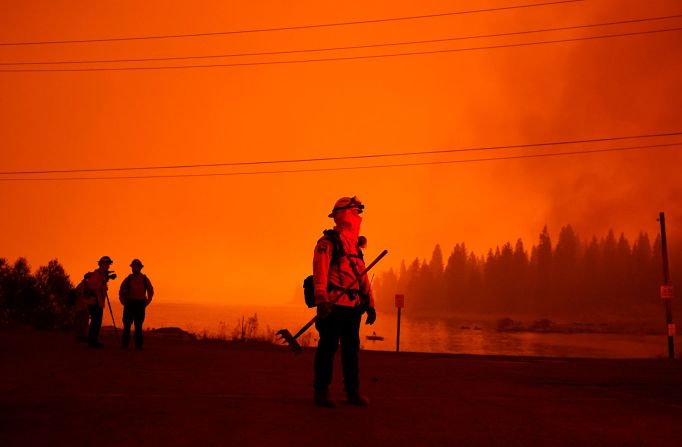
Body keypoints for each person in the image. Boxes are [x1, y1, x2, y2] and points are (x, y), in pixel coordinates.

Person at [312, 196, 377, 407]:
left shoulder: (356, 247)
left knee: (351, 351)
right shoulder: (329, 242)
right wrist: (322, 300)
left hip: (353, 308)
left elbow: (362, 275)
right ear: (345, 214)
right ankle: (321, 392)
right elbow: (320, 270)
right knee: (327, 349)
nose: (359, 217)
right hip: (333, 306)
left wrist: (370, 303)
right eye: (356, 212)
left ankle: (352, 392)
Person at [119, 258, 154, 350]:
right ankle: (124, 345)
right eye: (133, 266)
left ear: (140, 268)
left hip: (140, 304)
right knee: (127, 325)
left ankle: (138, 346)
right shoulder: (128, 278)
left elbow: (151, 290)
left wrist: (147, 302)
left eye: (136, 266)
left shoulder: (145, 279)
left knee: (138, 326)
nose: (134, 268)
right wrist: (123, 301)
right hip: (129, 304)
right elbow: (121, 290)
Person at [85, 256, 115, 348]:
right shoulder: (96, 274)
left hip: (98, 301)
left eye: (109, 264)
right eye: (107, 264)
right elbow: (90, 285)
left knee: (96, 321)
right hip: (95, 302)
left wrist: (106, 280)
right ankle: (92, 342)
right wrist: (102, 286)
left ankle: (93, 341)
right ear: (102, 264)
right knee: (96, 322)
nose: (108, 266)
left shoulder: (101, 274)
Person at [73, 273, 91, 343]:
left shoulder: (81, 285)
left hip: (79, 307)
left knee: (82, 323)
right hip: (81, 308)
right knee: (82, 323)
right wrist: (86, 307)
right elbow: (82, 298)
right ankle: (80, 337)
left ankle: (81, 336)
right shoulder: (83, 286)